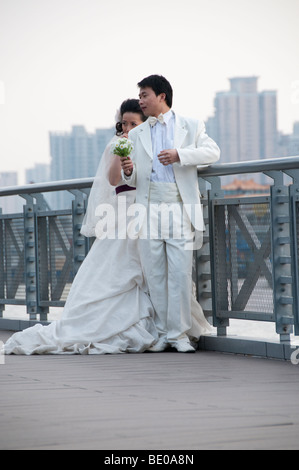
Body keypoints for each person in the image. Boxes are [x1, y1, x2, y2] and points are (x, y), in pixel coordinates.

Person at [3, 99, 159, 355]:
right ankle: (108, 325)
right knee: (119, 270)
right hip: (125, 215)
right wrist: (122, 155)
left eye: (134, 123)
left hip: (146, 212)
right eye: (124, 123)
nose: (128, 128)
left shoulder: (151, 144)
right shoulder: (118, 144)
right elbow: (112, 180)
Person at [120, 75, 220, 353]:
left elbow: (213, 152)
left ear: (161, 96)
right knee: (155, 274)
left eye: (144, 95)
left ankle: (179, 335)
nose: (140, 100)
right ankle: (164, 333)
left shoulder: (190, 125)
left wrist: (180, 154)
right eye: (139, 96)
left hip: (178, 206)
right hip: (148, 207)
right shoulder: (138, 133)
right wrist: (129, 170)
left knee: (178, 272)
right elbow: (137, 176)